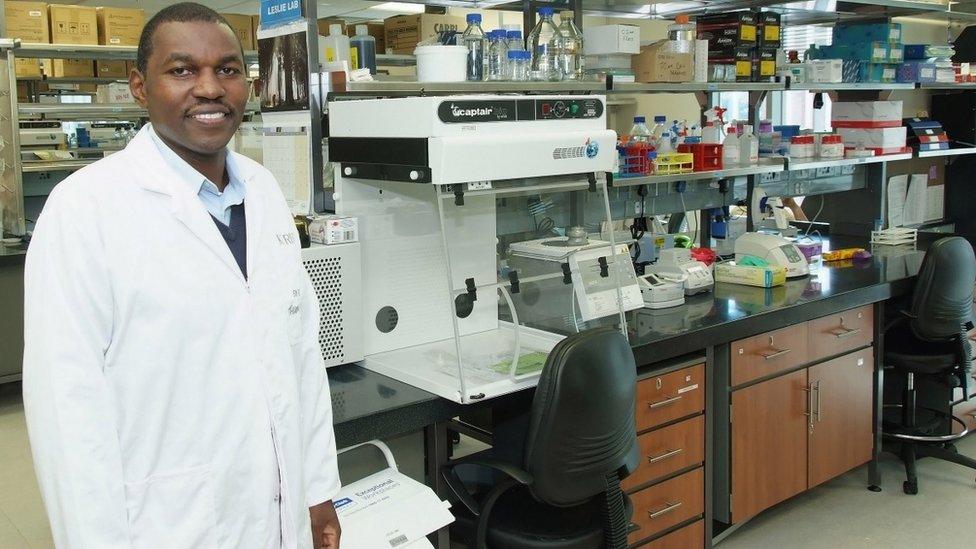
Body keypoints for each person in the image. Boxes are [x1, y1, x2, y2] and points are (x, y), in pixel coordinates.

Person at [22, 4, 341, 548]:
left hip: (278, 510)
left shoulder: (262, 191)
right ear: (139, 87)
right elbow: (67, 412)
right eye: (183, 70)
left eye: (228, 69)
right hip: (166, 522)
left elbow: (299, 359)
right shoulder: (85, 210)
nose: (211, 88)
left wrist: (318, 490)